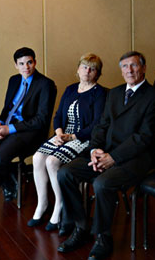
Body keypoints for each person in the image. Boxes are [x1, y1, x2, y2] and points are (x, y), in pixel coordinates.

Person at [57, 51, 155, 260]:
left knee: (103, 184)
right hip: (105, 152)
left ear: (143, 68)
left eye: (133, 66)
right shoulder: (114, 93)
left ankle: (103, 237)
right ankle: (81, 226)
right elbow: (101, 126)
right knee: (65, 172)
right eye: (124, 66)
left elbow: (144, 137)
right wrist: (95, 150)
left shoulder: (153, 96)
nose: (129, 70)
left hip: (135, 157)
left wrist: (113, 157)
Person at [0, 47, 56, 200]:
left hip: (28, 131)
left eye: (29, 62)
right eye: (21, 64)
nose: (26, 67)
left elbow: (41, 120)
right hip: (5, 125)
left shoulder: (45, 84)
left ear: (35, 62)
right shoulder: (13, 80)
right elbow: (7, 109)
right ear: (16, 65)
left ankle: (7, 183)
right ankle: (9, 170)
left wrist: (10, 129)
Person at [29, 53, 107, 233]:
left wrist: (71, 136)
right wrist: (58, 133)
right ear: (78, 69)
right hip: (63, 135)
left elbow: (97, 124)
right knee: (38, 158)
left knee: (52, 161)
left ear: (97, 73)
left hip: (82, 138)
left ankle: (59, 205)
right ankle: (42, 203)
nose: (87, 71)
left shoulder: (99, 93)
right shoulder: (71, 89)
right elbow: (57, 116)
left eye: (92, 68)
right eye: (84, 66)